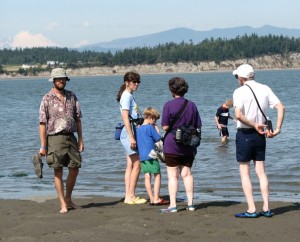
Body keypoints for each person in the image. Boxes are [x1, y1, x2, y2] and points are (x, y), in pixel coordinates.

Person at [232, 64, 285, 218]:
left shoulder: (239, 91)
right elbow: (281, 107)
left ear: (241, 78)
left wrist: (254, 124)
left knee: (245, 173)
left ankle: (251, 209)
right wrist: (278, 129)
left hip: (245, 133)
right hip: (261, 134)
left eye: (237, 77)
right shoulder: (265, 88)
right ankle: (267, 208)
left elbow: (239, 115)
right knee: (261, 172)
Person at [39, 68, 84, 214]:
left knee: (75, 168)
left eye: (63, 78)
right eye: (58, 79)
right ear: (53, 80)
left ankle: (69, 199)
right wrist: (43, 146)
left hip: (71, 136)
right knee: (57, 170)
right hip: (54, 138)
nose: (61, 81)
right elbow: (42, 123)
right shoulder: (47, 98)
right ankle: (63, 203)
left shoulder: (72, 96)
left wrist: (81, 139)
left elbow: (78, 119)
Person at [160, 77, 202, 213]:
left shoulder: (168, 105)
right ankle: (190, 204)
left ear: (172, 90)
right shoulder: (192, 105)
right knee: (187, 174)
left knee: (172, 175)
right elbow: (198, 125)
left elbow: (165, 126)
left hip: (172, 144)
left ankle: (173, 205)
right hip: (188, 144)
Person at [116, 71, 147, 205]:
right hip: (129, 132)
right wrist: (131, 137)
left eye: (138, 82)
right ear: (127, 83)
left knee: (130, 164)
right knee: (137, 164)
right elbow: (125, 117)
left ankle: (128, 195)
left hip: (131, 131)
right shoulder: (126, 96)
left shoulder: (128, 96)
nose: (136, 84)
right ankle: (131, 196)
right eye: (134, 82)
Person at [136, 107, 169, 206]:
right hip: (151, 155)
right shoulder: (150, 128)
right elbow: (159, 139)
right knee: (157, 175)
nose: (155, 122)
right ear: (150, 117)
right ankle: (156, 198)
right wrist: (157, 130)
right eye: (155, 120)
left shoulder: (139, 129)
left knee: (147, 176)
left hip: (142, 156)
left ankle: (151, 198)